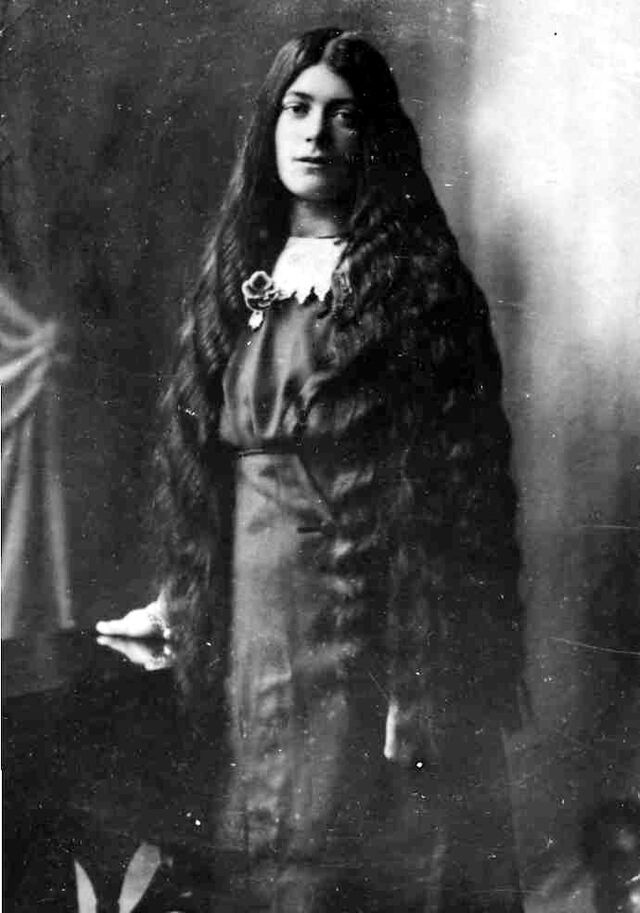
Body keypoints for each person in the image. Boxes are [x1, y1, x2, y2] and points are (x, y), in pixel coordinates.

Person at [97, 27, 525, 912]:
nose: (315, 133)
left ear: (377, 137)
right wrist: (182, 598)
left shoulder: (419, 286)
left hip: (366, 629)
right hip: (256, 633)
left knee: (360, 856)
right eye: (297, 109)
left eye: (343, 115)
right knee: (260, 845)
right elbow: (218, 479)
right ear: (271, 124)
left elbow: (456, 499)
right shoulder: (239, 277)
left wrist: (424, 672)